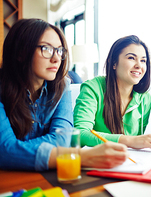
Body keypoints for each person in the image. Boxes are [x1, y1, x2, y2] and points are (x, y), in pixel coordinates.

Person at [0, 18, 128, 171]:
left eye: (60, 50)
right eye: (46, 49)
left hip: (48, 175)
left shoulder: (62, 86)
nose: (56, 58)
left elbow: (63, 139)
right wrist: (82, 157)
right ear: (20, 53)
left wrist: (16, 151)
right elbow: (4, 151)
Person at [74, 35, 151, 153]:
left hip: (128, 163)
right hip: (95, 162)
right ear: (114, 63)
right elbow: (80, 134)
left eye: (143, 60)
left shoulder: (145, 98)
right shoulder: (93, 88)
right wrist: (131, 141)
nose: (139, 65)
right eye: (131, 58)